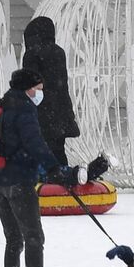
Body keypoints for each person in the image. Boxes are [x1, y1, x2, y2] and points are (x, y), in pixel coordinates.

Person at [0, 67, 84, 267]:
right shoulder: (24, 108)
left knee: (13, 239)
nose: (40, 94)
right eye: (38, 89)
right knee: (34, 237)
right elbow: (35, 144)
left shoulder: (4, 104)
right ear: (28, 88)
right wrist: (57, 169)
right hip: (18, 181)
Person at [20, 15, 78, 167]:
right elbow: (60, 85)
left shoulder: (32, 54)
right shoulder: (59, 52)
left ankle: (44, 186)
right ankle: (64, 184)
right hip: (60, 114)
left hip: (41, 114)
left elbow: (29, 84)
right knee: (58, 152)